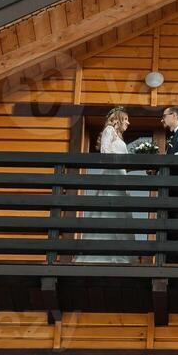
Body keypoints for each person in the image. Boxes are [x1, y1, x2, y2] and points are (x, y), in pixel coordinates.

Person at [75, 107, 140, 262]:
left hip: (121, 176)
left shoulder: (120, 137)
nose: (128, 122)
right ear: (117, 119)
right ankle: (102, 256)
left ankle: (121, 255)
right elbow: (105, 152)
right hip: (112, 175)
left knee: (120, 213)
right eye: (126, 119)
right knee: (108, 212)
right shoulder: (109, 130)